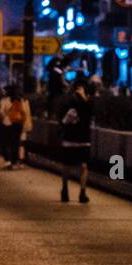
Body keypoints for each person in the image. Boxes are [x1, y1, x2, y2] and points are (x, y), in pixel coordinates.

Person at [58, 74, 94, 204]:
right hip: (70, 138)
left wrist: (85, 99)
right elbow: (61, 119)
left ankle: (82, 192)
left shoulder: (88, 101)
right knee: (67, 166)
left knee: (84, 166)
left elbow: (91, 113)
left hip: (83, 138)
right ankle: (65, 189)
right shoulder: (68, 101)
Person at [0, 84, 30, 169]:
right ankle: (14, 162)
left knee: (4, 142)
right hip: (18, 124)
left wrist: (5, 117)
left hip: (7, 124)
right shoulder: (21, 100)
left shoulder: (4, 100)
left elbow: (1, 112)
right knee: (15, 144)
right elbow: (24, 112)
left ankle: (7, 160)